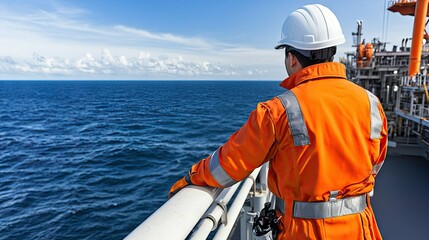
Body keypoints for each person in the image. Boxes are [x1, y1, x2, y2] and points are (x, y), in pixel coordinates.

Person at [169, 4, 387, 239]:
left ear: (292, 58)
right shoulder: (371, 102)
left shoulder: (279, 110)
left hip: (304, 232)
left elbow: (229, 164)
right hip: (361, 229)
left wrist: (192, 177)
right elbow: (375, 162)